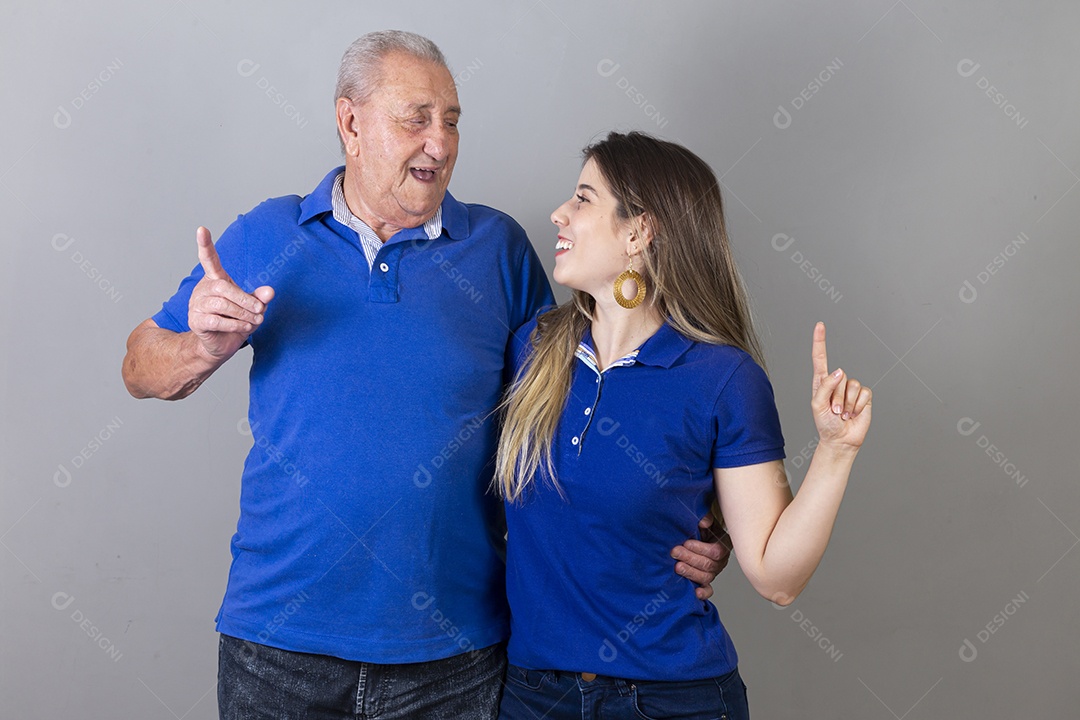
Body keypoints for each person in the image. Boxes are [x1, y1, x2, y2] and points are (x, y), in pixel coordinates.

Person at [122, 32, 724, 719]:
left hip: (454, 658)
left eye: (452, 121)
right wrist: (200, 348)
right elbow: (140, 366)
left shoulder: (498, 249)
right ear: (351, 122)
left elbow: (586, 408)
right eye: (417, 119)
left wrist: (698, 518)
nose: (440, 143)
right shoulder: (268, 234)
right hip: (277, 648)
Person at [493, 131, 872, 720]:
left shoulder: (723, 378)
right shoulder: (531, 351)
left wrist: (835, 451)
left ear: (639, 232)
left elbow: (777, 578)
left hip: (670, 701)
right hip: (534, 698)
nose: (559, 214)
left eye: (584, 199)